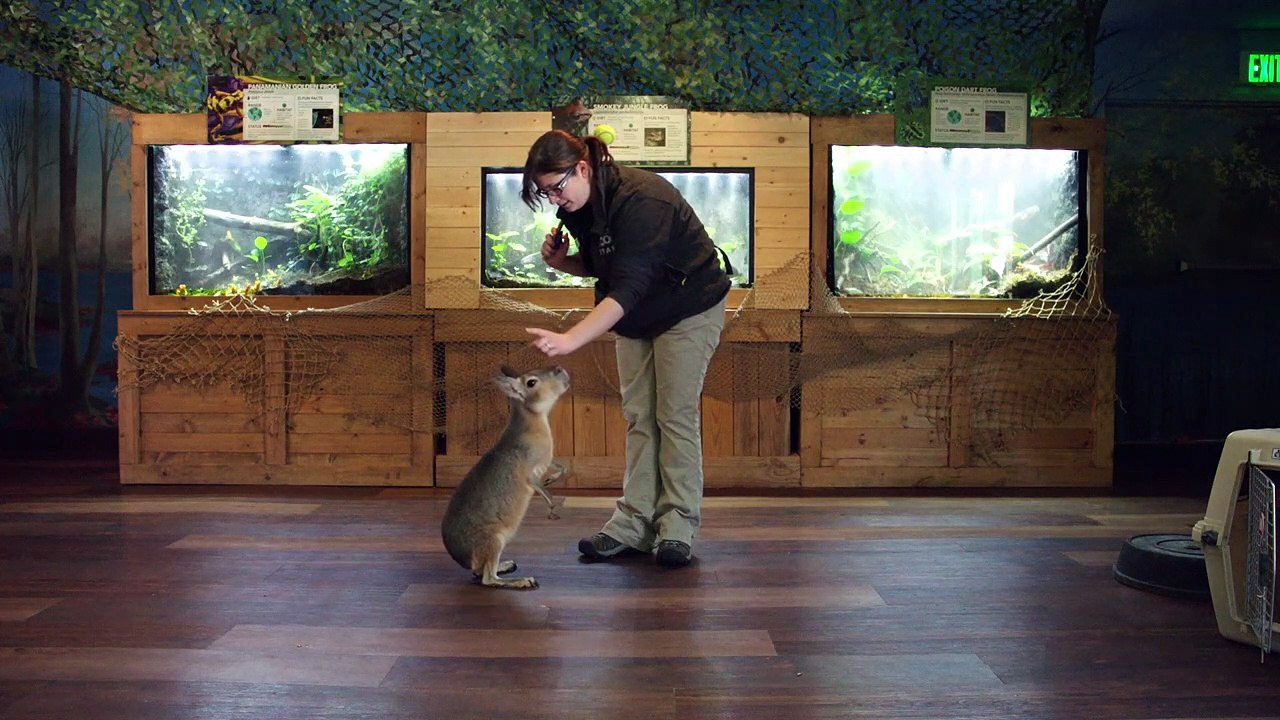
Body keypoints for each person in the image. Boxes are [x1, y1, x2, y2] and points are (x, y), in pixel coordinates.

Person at [521, 129, 730, 569]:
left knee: (673, 415)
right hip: (638, 314)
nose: (555, 199)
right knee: (639, 415)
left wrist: (572, 338)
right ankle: (632, 524)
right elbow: (607, 264)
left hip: (688, 307)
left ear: (582, 168)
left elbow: (631, 283)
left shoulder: (644, 200)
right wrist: (564, 263)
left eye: (556, 188)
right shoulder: (579, 206)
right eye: (546, 193)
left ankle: (677, 526)